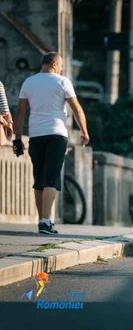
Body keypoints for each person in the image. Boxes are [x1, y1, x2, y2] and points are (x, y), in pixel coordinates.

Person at [12, 51, 90, 234]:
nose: (62, 68)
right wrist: (84, 132)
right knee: (51, 178)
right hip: (57, 134)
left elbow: (20, 114)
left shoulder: (29, 82)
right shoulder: (63, 82)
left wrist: (17, 139)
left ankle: (42, 220)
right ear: (54, 64)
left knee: (39, 178)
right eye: (61, 65)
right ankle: (46, 222)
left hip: (36, 135)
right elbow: (77, 110)